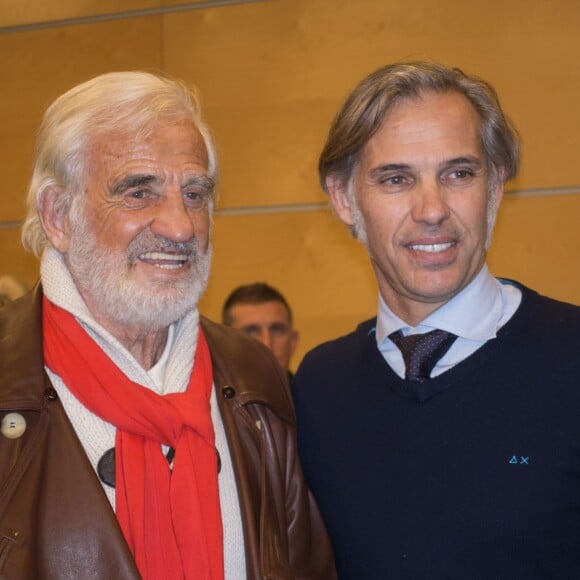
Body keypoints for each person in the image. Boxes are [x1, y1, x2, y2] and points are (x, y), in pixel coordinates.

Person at [0, 71, 336, 579]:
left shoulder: (253, 379)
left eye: (196, 194)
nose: (181, 226)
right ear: (58, 215)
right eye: (139, 192)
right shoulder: (10, 381)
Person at [292, 60, 580, 579]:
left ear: (493, 190)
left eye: (458, 174)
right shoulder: (317, 387)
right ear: (344, 199)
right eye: (396, 179)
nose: (432, 209)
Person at [222, 283, 299, 378]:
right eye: (251, 332)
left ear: (292, 342)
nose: (267, 344)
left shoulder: (313, 392)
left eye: (277, 330)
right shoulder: (205, 392)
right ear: (224, 345)